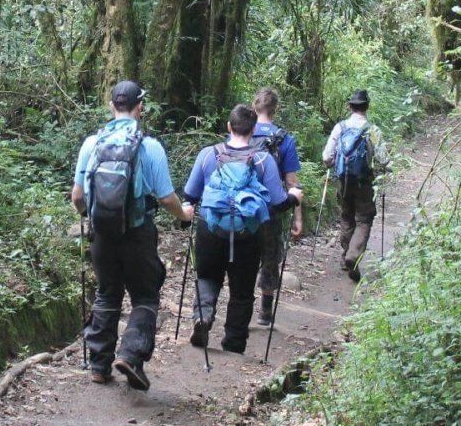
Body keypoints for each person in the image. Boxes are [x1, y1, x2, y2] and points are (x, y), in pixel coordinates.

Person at [72, 80, 194, 391]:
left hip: (103, 233)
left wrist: (90, 215)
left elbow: (77, 196)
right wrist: (184, 215)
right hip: (138, 233)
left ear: (111, 105)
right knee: (145, 295)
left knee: (106, 293)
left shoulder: (92, 143)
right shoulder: (150, 146)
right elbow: (166, 198)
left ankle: (99, 366)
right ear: (140, 107)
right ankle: (130, 354)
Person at [181, 104, 301, 354]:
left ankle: (203, 316)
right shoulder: (263, 160)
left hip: (210, 229)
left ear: (229, 126)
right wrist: (294, 197)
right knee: (242, 289)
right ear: (253, 129)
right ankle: (234, 342)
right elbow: (277, 203)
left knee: (207, 277)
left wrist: (186, 213)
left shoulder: (208, 154)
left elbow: (190, 194)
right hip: (248, 234)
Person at [322, 89, 390, 281]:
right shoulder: (372, 130)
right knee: (364, 218)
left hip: (343, 180)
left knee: (347, 216)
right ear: (367, 106)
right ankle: (353, 254)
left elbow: (327, 157)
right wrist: (384, 171)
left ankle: (346, 256)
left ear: (350, 106)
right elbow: (384, 160)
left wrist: (334, 164)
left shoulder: (340, 127)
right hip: (364, 182)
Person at [251, 87, 303, 326]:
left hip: (243, 207)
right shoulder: (284, 138)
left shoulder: (243, 130)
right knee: (270, 257)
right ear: (275, 109)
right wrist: (297, 217)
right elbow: (292, 182)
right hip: (272, 207)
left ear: (255, 107)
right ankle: (265, 311)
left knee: (245, 255)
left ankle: (241, 305)